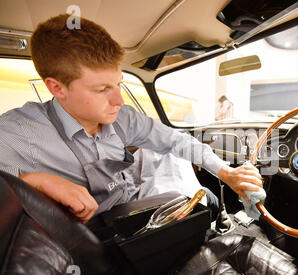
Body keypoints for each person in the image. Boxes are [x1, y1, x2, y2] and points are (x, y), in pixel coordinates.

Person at [0, 14, 263, 224]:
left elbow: (176, 141)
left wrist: (226, 172)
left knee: (171, 160)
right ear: (57, 88)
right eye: (103, 89)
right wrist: (34, 181)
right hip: (106, 232)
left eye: (118, 84)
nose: (119, 100)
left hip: (134, 199)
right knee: (209, 204)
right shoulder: (21, 131)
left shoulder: (122, 118)